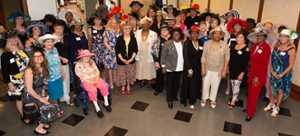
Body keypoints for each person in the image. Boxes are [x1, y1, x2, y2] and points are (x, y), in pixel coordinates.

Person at [23, 48, 62, 135]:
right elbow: (29, 89)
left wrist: (44, 95)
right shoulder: (29, 70)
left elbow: (44, 84)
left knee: (55, 105)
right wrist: (41, 99)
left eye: (40, 55)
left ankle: (42, 122)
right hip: (31, 95)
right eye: (35, 56)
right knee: (51, 108)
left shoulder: (44, 67)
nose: (38, 58)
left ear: (43, 57)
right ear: (32, 58)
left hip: (40, 92)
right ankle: (39, 128)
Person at [264, 29, 297, 117]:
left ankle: (277, 107)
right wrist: (271, 70)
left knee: (280, 90)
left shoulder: (291, 49)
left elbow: (291, 65)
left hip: (284, 74)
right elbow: (272, 60)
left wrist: (281, 75)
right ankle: (271, 104)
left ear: (289, 38)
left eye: (285, 36)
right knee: (271, 87)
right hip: (274, 72)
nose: (282, 38)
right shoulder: (276, 47)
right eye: (281, 36)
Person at [1, 29, 30, 124]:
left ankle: (30, 113)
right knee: (19, 99)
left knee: (27, 97)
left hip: (26, 78)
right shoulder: (5, 55)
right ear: (8, 41)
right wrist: (9, 84)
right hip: (15, 81)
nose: (14, 40)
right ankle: (24, 116)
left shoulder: (22, 51)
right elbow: (5, 71)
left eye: (15, 38)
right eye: (11, 39)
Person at [244, 27, 272, 122]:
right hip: (251, 72)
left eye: (261, 36)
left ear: (265, 37)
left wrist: (257, 76)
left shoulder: (266, 47)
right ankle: (249, 108)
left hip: (258, 75)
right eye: (258, 36)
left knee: (255, 94)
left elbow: (265, 64)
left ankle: (250, 114)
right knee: (250, 93)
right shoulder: (255, 45)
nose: (259, 37)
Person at [75, 49, 112, 118]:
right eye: (85, 56)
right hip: (86, 80)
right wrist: (91, 81)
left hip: (95, 77)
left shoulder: (92, 62)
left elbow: (97, 71)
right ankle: (97, 108)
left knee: (104, 85)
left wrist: (97, 78)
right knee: (93, 90)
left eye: (88, 56)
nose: (86, 58)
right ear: (81, 57)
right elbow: (80, 77)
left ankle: (106, 103)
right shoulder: (78, 65)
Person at [201, 27, 230, 109]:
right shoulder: (207, 43)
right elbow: (203, 57)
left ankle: (213, 99)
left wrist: (224, 70)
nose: (217, 35)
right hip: (207, 68)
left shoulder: (224, 44)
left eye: (219, 34)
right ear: (212, 35)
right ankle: (204, 98)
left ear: (221, 35)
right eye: (215, 33)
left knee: (215, 85)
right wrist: (203, 68)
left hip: (218, 69)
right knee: (205, 84)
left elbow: (227, 57)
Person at [160, 27, 184, 109]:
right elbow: (163, 56)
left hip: (180, 67)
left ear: (180, 35)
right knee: (169, 84)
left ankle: (174, 96)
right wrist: (163, 66)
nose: (176, 35)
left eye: (178, 34)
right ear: (172, 35)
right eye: (174, 34)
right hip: (170, 67)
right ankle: (170, 100)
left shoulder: (183, 43)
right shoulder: (167, 43)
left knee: (177, 83)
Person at [181, 26, 204, 110]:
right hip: (189, 67)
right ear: (190, 34)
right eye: (192, 33)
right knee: (190, 84)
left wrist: (203, 67)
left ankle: (194, 96)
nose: (194, 35)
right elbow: (185, 57)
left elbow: (203, 56)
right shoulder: (187, 43)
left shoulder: (201, 42)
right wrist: (189, 69)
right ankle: (191, 102)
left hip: (198, 66)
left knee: (197, 83)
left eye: (196, 33)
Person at [52, 19, 73, 106]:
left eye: (61, 28)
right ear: (54, 28)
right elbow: (51, 52)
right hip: (56, 63)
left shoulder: (65, 36)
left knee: (66, 80)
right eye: (57, 28)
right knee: (59, 81)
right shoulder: (52, 38)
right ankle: (62, 98)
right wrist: (61, 58)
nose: (59, 30)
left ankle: (64, 97)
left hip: (65, 62)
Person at [226, 19, 249, 95]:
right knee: (230, 75)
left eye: (238, 25)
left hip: (240, 60)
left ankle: (234, 95)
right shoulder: (231, 36)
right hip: (232, 56)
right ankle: (228, 87)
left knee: (237, 80)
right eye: (235, 25)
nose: (237, 27)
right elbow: (228, 46)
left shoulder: (245, 36)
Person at [228, 31, 250, 109]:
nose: (239, 39)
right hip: (232, 69)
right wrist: (228, 68)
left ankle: (233, 101)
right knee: (233, 85)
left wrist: (242, 73)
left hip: (240, 71)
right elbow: (230, 58)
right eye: (238, 37)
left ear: (244, 39)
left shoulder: (246, 49)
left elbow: (246, 63)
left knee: (236, 86)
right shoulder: (233, 46)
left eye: (241, 37)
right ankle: (236, 97)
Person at [39, 34, 64, 101]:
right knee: (51, 96)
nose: (50, 43)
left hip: (58, 76)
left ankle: (56, 108)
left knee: (57, 94)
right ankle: (53, 110)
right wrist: (44, 80)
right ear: (43, 43)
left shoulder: (55, 49)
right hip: (49, 78)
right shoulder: (41, 53)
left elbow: (58, 62)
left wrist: (63, 72)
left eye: (51, 41)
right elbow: (40, 67)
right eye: (47, 42)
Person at [135, 17, 157, 90]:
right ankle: (143, 81)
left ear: (150, 25)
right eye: (144, 24)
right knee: (141, 68)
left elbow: (156, 45)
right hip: (140, 54)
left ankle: (150, 83)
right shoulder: (137, 33)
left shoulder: (153, 34)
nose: (145, 26)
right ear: (141, 25)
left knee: (149, 69)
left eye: (147, 24)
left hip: (149, 54)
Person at [115, 23, 138, 94]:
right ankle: (123, 86)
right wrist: (122, 59)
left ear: (131, 29)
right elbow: (117, 50)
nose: (126, 30)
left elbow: (135, 49)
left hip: (131, 60)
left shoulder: (133, 38)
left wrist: (131, 59)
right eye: (125, 28)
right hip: (121, 60)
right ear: (122, 30)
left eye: (128, 28)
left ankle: (128, 85)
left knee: (129, 73)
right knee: (122, 74)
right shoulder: (119, 39)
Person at [151, 22, 172, 96]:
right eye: (162, 30)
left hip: (171, 61)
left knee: (170, 77)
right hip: (161, 60)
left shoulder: (172, 38)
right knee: (159, 76)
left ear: (168, 30)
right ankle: (158, 89)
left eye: (165, 29)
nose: (164, 31)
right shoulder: (158, 39)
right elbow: (153, 50)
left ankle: (170, 90)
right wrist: (156, 61)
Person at [103, 17, 122, 89]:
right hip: (109, 51)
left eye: (115, 23)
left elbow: (120, 41)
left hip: (117, 51)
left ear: (117, 24)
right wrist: (110, 49)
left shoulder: (119, 31)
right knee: (110, 67)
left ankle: (116, 80)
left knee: (116, 67)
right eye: (112, 23)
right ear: (110, 23)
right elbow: (105, 42)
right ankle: (111, 81)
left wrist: (118, 49)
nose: (113, 24)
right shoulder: (106, 31)